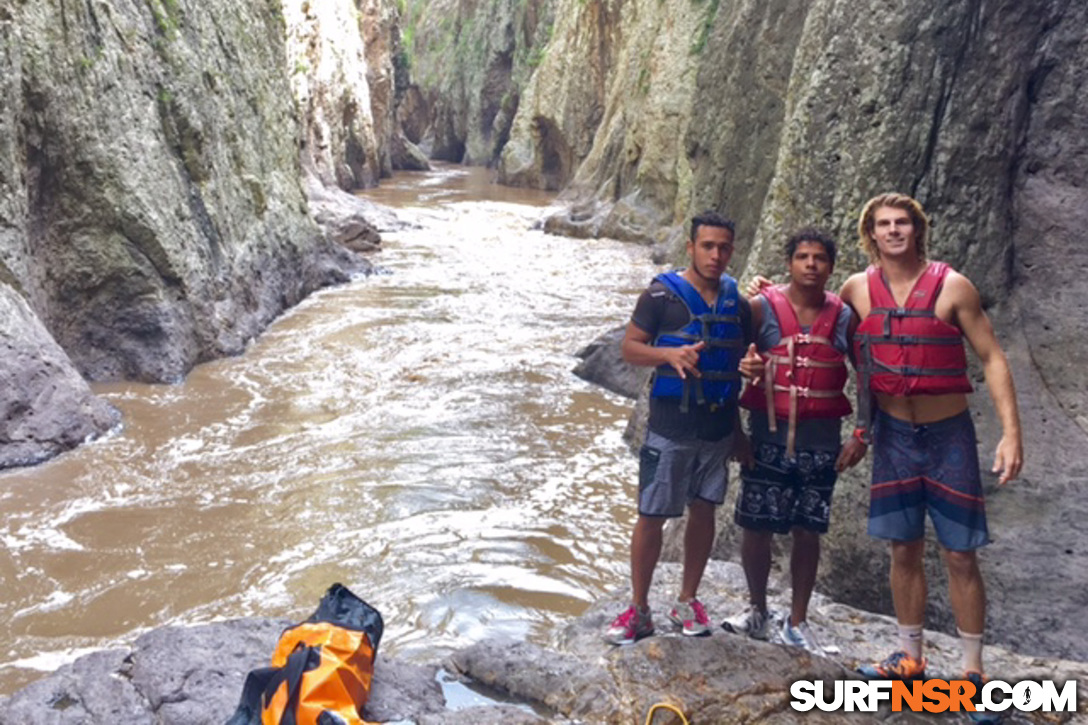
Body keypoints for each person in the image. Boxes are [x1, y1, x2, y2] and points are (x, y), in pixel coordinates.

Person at [844, 193, 1022, 694]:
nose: (894, 231)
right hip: (894, 437)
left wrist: (1012, 433)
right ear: (871, 234)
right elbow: (820, 326)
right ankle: (910, 657)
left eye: (903, 223)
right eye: (884, 224)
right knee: (903, 548)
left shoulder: (953, 287)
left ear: (917, 230)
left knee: (960, 554)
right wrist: (764, 295)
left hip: (949, 438)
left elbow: (991, 357)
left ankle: (972, 671)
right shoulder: (857, 289)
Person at [604, 210, 754, 645]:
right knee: (651, 515)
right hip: (669, 427)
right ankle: (640, 609)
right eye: (707, 246)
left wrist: (740, 435)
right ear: (691, 248)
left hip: (717, 431)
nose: (716, 255)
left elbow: (736, 369)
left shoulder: (738, 305)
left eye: (724, 247)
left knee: (704, 511)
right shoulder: (659, 296)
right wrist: (668, 356)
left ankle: (687, 601)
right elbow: (630, 348)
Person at [720, 228, 867, 653]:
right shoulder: (760, 308)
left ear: (830, 267)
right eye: (802, 256)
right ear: (789, 263)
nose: (810, 264)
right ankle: (756, 610)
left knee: (808, 530)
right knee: (756, 526)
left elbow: (867, 376)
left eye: (819, 258)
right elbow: (729, 364)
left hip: (821, 442)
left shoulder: (842, 316)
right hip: (764, 435)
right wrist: (735, 433)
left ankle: (797, 620)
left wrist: (861, 434)